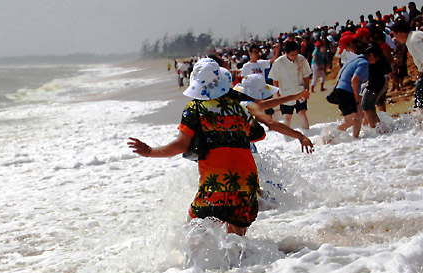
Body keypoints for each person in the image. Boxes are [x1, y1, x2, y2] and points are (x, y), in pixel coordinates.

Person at [127, 58, 313, 236]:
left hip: (216, 184)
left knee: (194, 234)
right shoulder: (240, 108)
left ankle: (198, 270)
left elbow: (181, 145)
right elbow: (260, 132)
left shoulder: (195, 109)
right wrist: (300, 136)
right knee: (238, 244)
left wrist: (150, 152)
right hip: (247, 183)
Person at [333, 45, 378, 138]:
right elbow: (354, 80)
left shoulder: (353, 58)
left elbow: (340, 73)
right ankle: (327, 139)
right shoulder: (364, 62)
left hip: (340, 89)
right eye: (377, 58)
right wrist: (356, 97)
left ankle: (355, 138)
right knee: (349, 121)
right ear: (372, 55)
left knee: (359, 116)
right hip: (347, 91)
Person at [269, 41, 313, 129]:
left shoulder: (301, 59)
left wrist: (307, 87)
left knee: (302, 113)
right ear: (286, 53)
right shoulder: (278, 62)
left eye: (296, 54)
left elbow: (306, 75)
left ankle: (308, 133)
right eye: (292, 55)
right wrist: (277, 92)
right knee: (287, 117)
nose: (294, 57)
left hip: (300, 90)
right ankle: (287, 138)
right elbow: (275, 79)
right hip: (285, 93)